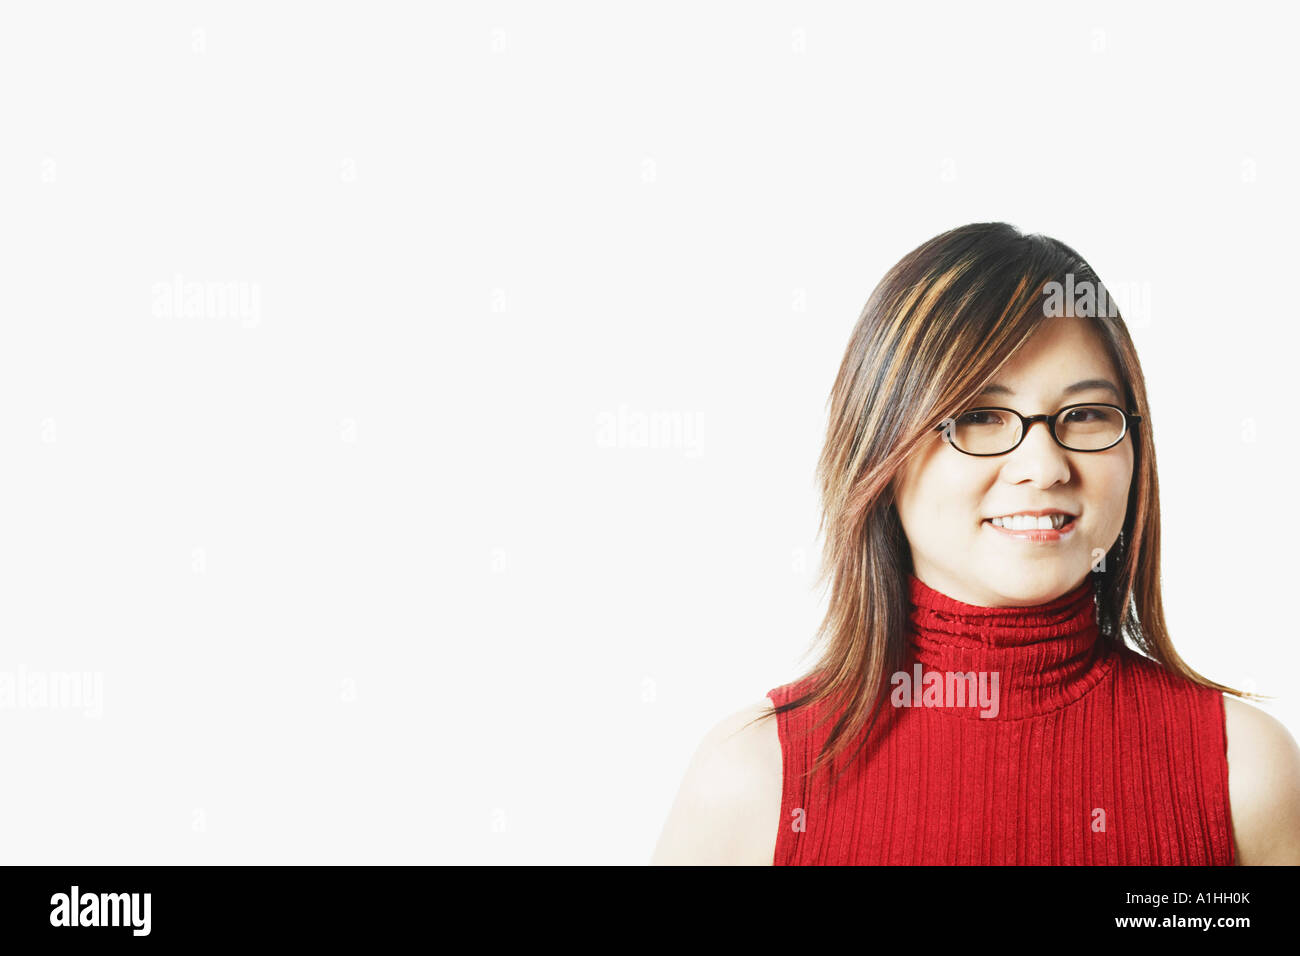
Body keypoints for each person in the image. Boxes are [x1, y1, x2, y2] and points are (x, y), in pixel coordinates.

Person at [651, 222, 1300, 865]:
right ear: (881, 448)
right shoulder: (754, 781)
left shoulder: (1243, 772)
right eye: (981, 416)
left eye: (1084, 414)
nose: (1044, 466)